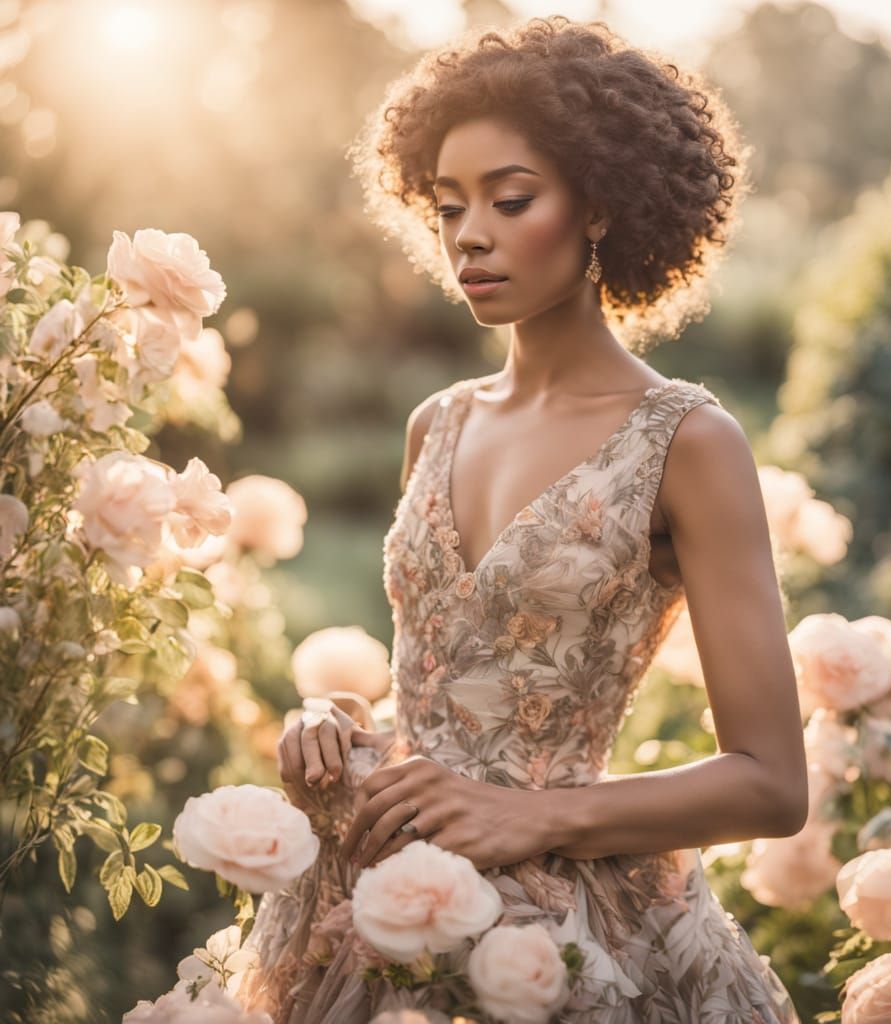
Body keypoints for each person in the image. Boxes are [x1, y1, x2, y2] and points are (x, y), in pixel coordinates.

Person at [236, 15, 807, 1023]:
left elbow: (769, 784)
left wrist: (531, 813)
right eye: (448, 206)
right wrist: (334, 722)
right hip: (366, 898)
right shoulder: (437, 423)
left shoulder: (687, 441)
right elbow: (443, 673)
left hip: (567, 932)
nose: (470, 235)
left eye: (509, 200)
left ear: (598, 207)